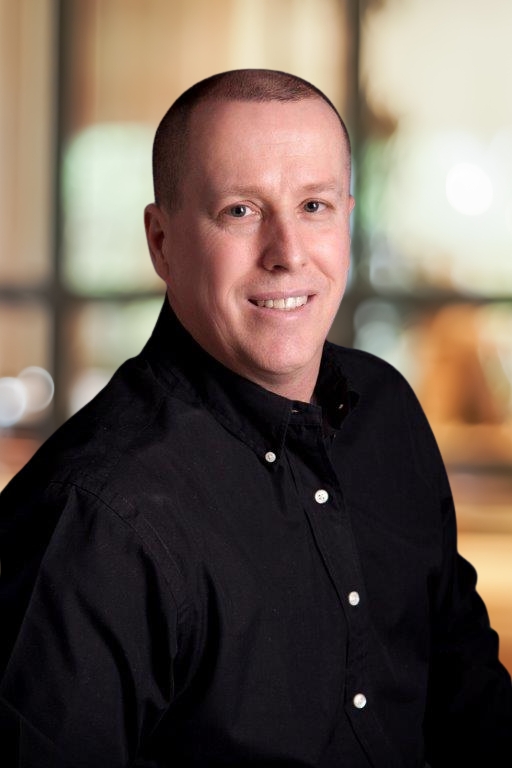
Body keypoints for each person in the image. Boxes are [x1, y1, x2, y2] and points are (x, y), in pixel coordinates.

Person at [0, 68, 511, 768]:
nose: (288, 253)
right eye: (241, 211)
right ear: (160, 241)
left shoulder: (386, 412)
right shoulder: (94, 519)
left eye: (314, 206)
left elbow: (469, 702)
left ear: (349, 219)